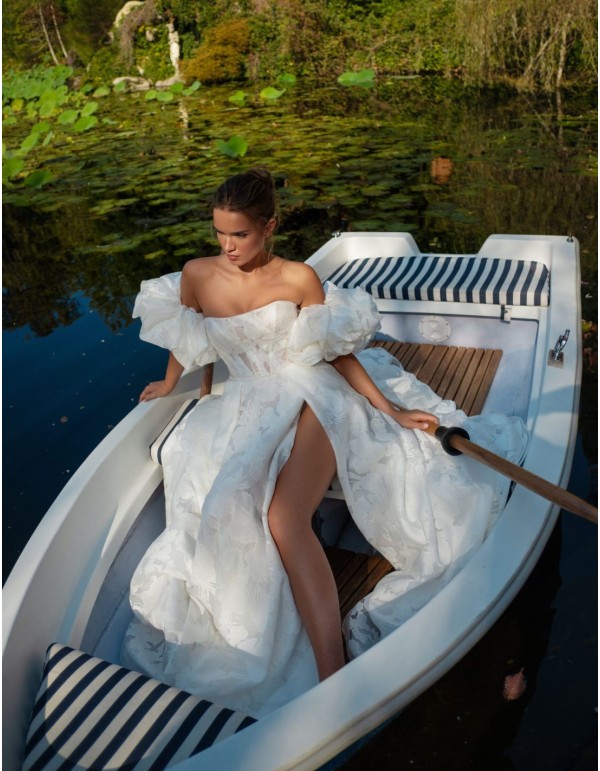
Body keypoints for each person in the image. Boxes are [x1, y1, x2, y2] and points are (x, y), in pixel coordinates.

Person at [121, 168, 527, 718]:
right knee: (217, 496)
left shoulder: (299, 278)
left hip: (312, 391)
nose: (228, 246)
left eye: (240, 234)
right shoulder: (196, 274)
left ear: (269, 226)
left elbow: (333, 353)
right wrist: (172, 383)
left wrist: (390, 409)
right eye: (219, 232)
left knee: (283, 519)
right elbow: (186, 335)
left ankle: (331, 670)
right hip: (246, 400)